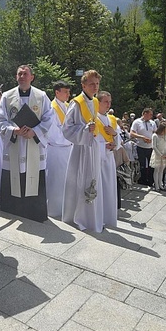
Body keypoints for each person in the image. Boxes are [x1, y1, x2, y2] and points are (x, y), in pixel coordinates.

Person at [0, 65, 54, 222]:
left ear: (32, 77)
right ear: (16, 77)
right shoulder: (7, 96)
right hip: (15, 145)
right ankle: (12, 212)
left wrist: (35, 131)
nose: (22, 76)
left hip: (33, 144)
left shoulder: (41, 96)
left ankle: (35, 214)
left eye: (25, 74)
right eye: (19, 74)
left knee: (34, 178)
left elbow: (49, 118)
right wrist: (13, 130)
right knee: (14, 177)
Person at [61, 70, 109, 232]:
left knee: (93, 180)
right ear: (83, 85)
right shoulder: (76, 103)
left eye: (97, 84)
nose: (95, 87)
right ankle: (78, 218)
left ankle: (91, 217)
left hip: (93, 147)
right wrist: (85, 130)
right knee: (80, 181)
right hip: (80, 149)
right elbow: (66, 129)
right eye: (91, 84)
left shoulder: (95, 102)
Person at [45, 80, 73, 218]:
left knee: (66, 181)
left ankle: (65, 208)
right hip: (56, 149)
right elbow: (53, 134)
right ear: (57, 92)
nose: (68, 94)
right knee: (56, 180)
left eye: (69, 91)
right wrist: (71, 138)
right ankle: (53, 210)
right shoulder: (51, 108)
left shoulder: (67, 106)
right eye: (66, 92)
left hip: (68, 149)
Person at [95, 90, 119, 220]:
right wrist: (103, 146)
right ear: (98, 103)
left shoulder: (112, 119)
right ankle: (97, 215)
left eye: (110, 102)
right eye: (105, 102)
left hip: (109, 159)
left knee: (109, 188)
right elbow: (90, 140)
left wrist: (114, 135)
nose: (108, 105)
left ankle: (108, 216)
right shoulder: (93, 118)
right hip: (97, 158)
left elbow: (119, 140)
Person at [130, 107, 155, 187]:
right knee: (142, 164)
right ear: (145, 114)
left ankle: (150, 181)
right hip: (140, 146)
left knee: (152, 164)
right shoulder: (137, 122)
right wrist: (142, 137)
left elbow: (155, 133)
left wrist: (152, 139)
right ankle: (143, 180)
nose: (151, 116)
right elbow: (132, 134)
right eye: (150, 114)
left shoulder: (152, 123)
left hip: (150, 147)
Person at [150, 123, 166, 191]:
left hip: (164, 154)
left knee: (162, 170)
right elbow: (154, 146)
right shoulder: (155, 135)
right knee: (157, 170)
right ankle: (156, 186)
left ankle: (160, 184)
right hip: (157, 155)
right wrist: (160, 155)